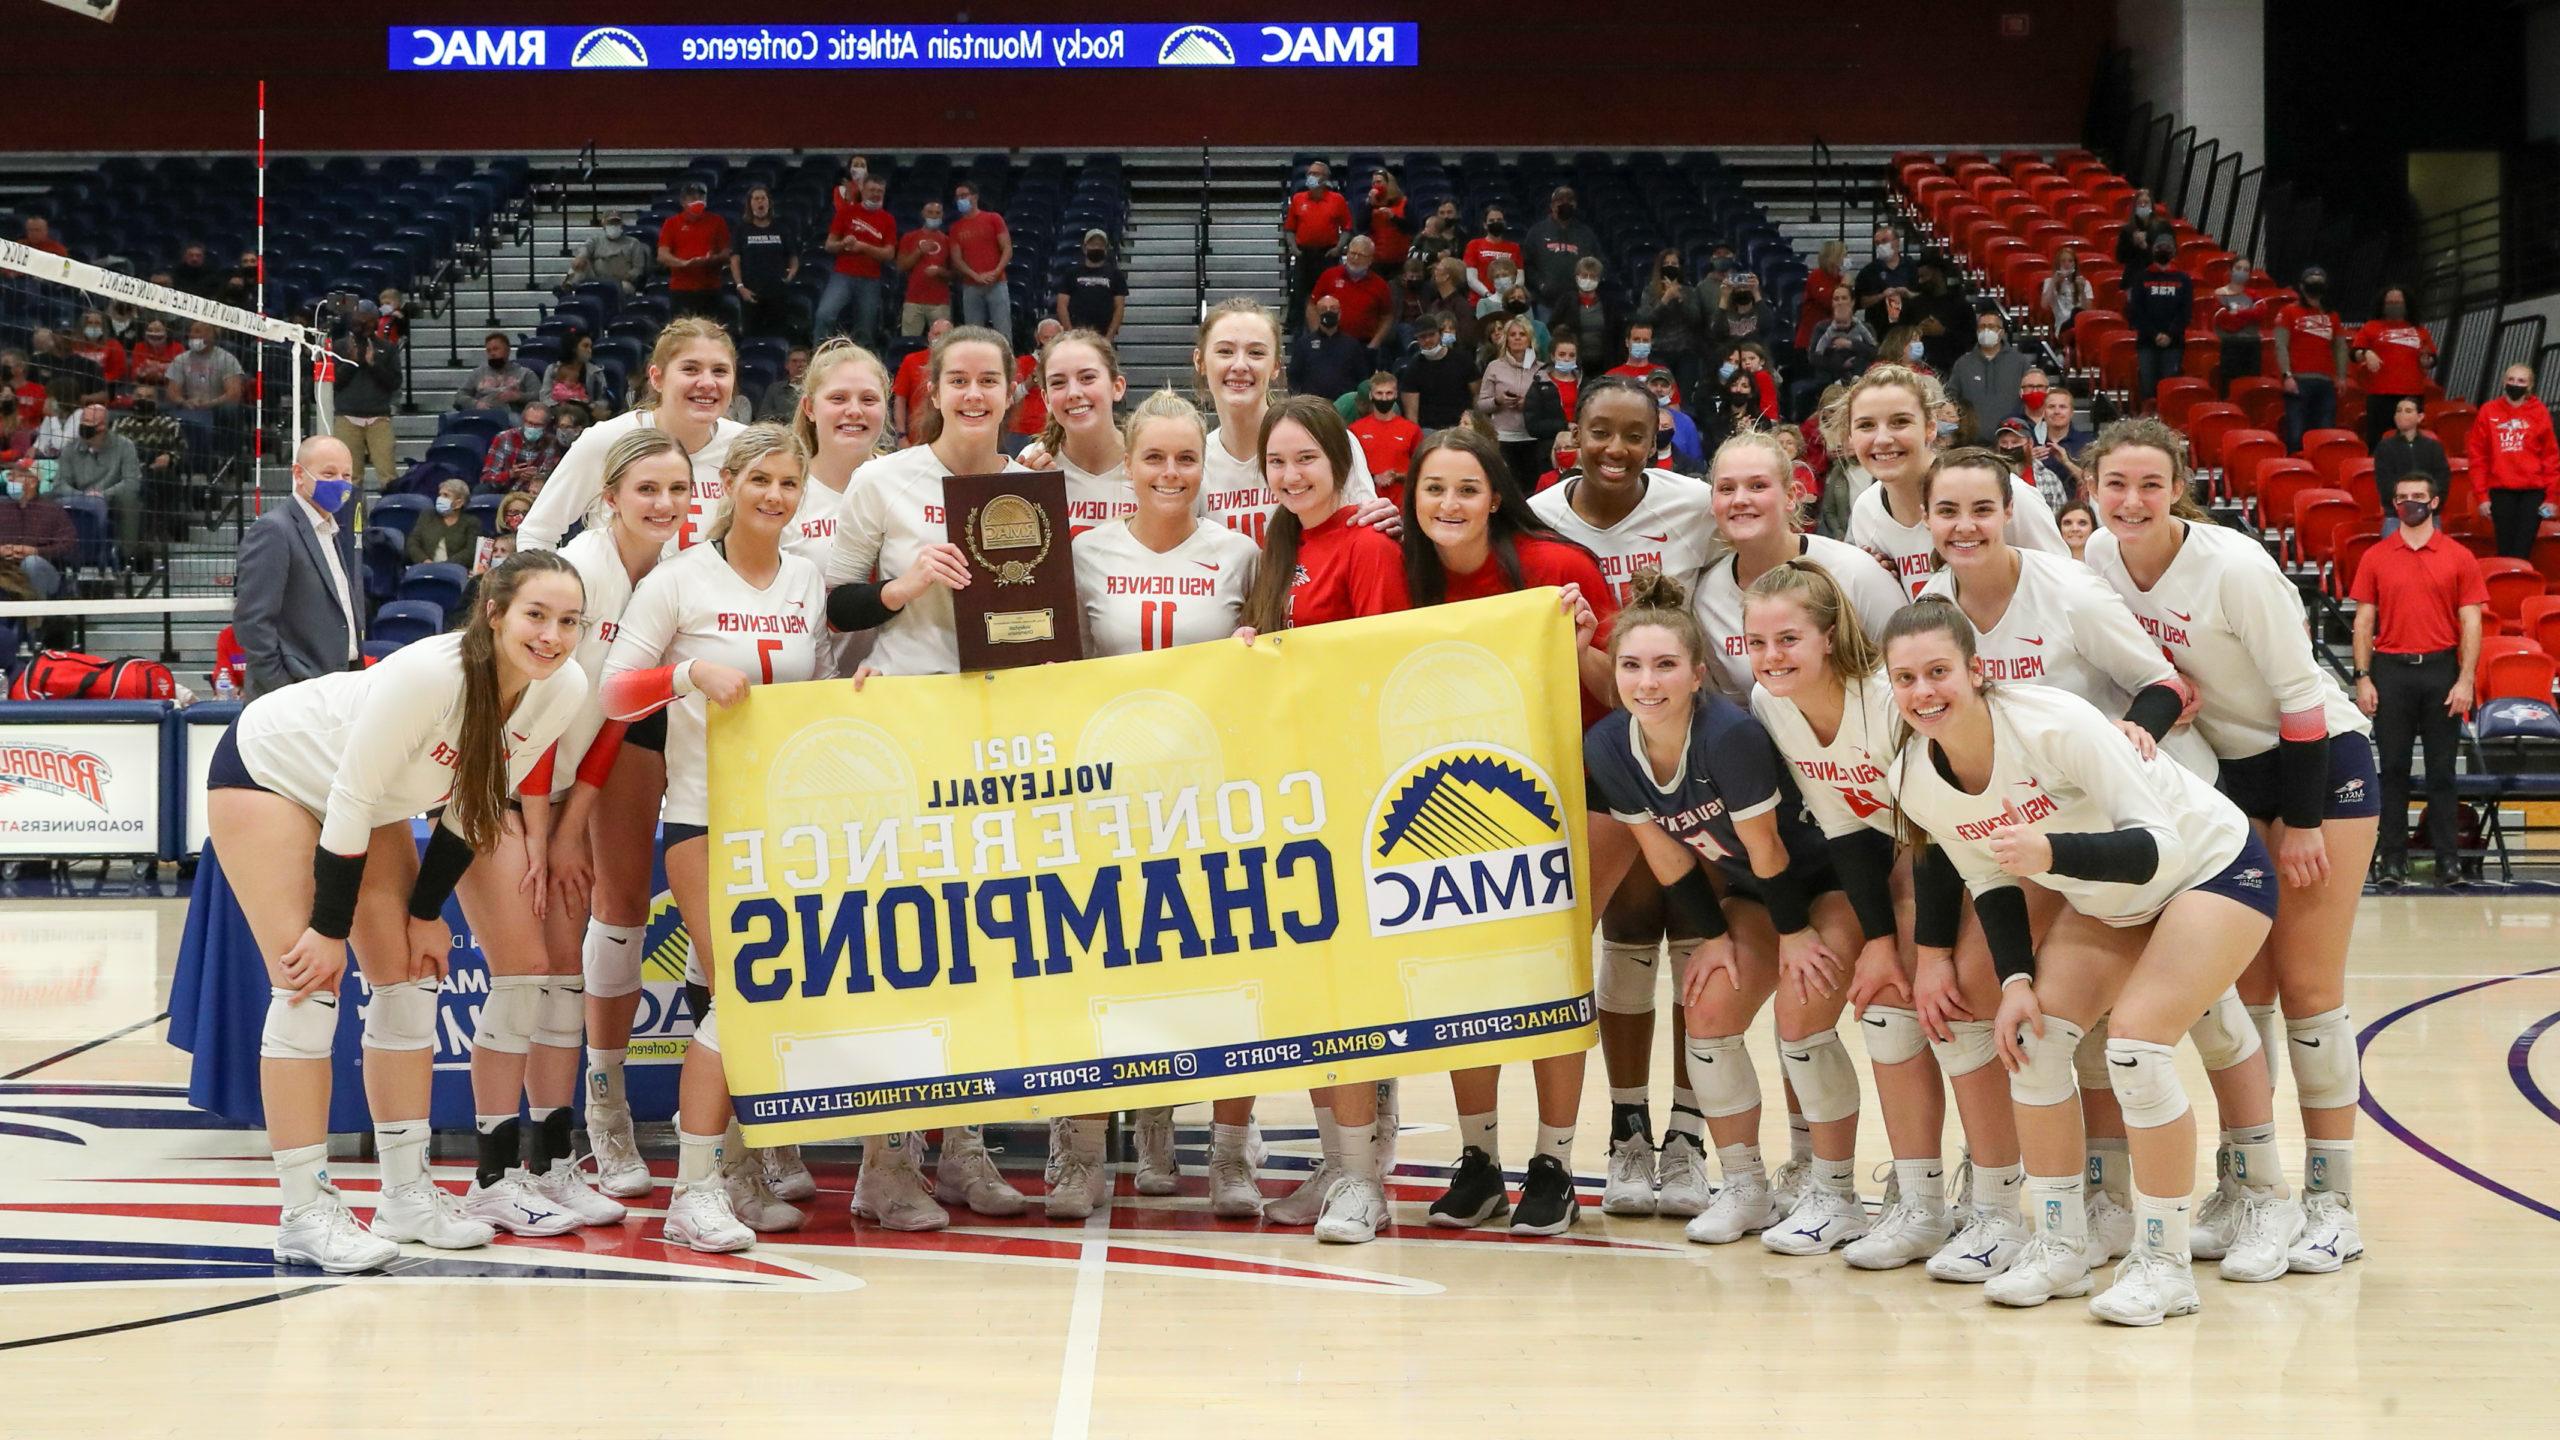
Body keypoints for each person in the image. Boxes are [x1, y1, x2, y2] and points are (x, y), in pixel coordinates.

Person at [1879, 597, 2279, 1325]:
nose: (1924, 692)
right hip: (2112, 903)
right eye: (1905, 679)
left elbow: (2158, 845)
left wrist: (2051, 853)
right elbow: (1992, 879)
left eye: (1939, 671)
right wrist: (2017, 983)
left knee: (2134, 1048)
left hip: (2211, 869)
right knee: (2030, 1043)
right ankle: (2061, 1248)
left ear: (1977, 671)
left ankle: (2165, 1264)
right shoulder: (1916, 777)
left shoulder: (2054, 723)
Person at [208, 548, 589, 1271]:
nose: (552, 635)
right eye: (536, 615)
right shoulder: (430, 674)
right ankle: (304, 1209)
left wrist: (425, 912)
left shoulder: (561, 686)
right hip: (272, 771)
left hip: (372, 801)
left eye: (569, 621)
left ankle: (405, 1193)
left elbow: (473, 800)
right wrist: (326, 931)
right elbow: (348, 801)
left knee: (411, 974)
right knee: (307, 985)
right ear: (495, 612)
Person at [2080, 417, 2378, 1278]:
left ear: (2178, 486)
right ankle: (2252, 1188)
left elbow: (2300, 698)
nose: (2131, 501)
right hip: (2222, 780)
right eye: (2114, 485)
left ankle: (2333, 1202)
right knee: (2235, 997)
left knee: (2310, 984)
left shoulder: (2235, 567)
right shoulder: (2099, 559)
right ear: (2091, 488)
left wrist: (2305, 821)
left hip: (2318, 764)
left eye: (2149, 484)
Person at [1581, 571, 1874, 1254]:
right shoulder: (1607, 747)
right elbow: (1666, 857)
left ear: (1697, 674)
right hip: (1753, 891)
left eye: (1664, 666)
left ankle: (1836, 1194)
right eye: (1630, 665)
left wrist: (1796, 934)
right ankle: (1744, 1186)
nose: (1645, 681)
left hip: (1826, 880)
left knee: (1802, 1019)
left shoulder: (1731, 733)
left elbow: (1769, 847)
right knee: (1708, 1011)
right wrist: (1712, 936)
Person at [821, 326, 1037, 1227]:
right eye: (960, 380)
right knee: (908, 947)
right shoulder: (884, 480)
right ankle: (883, 1160)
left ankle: (964, 1153)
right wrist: (904, 587)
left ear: (1010, 391)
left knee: (983, 948)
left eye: (990, 380)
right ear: (936, 390)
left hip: (997, 732)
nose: (976, 393)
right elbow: (835, 602)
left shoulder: (1031, 490)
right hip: (911, 724)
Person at [600, 425, 832, 1252]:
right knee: (741, 993)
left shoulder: (807, 579)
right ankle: (691, 1193)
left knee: (728, 993)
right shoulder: (676, 581)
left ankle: (733, 1171)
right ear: (728, 483)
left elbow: (815, 690)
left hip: (787, 822)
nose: (774, 496)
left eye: (789, 484)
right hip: (703, 816)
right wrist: (687, 675)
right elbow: (613, 689)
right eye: (760, 479)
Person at [1038, 391, 1261, 1217]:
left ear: (1206, 466)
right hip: (1107, 799)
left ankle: (1231, 1153)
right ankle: (1083, 1148)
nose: (1171, 474)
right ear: (1127, 465)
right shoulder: (1082, 551)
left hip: (1212, 798)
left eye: (1186, 459)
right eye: (1155, 458)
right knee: (1096, 967)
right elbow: (1047, 668)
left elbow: (1277, 669)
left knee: (1228, 967)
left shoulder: (1240, 554)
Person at [1395, 427, 1612, 1235]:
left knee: (1552, 966)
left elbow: (1625, 697)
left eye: (1465, 488)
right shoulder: (1405, 576)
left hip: (1578, 789)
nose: (1449, 504)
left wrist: (1585, 642)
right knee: (1466, 975)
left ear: (1496, 497)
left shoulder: (1557, 569)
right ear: (1411, 501)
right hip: (1459, 797)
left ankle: (1555, 1166)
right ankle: (1479, 1161)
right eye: (1433, 490)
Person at [1529, 378, 1728, 1217]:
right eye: (1599, 432)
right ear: (1571, 436)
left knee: (1693, 939)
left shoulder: (1697, 508)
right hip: (1587, 756)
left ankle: (1687, 1134)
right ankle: (1628, 1128)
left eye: (1633, 435)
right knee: (1627, 935)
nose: (1615, 449)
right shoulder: (1537, 517)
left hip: (1687, 749)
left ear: (1660, 440)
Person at [1233, 395, 1411, 1244]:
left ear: (1341, 463)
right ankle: (1342, 1165)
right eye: (1277, 463)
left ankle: (1366, 1181)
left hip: (1351, 793)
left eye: (1307, 459)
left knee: (1354, 994)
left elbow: (1377, 668)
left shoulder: (1371, 546)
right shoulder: (1280, 547)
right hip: (1289, 795)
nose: (1292, 475)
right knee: (1311, 995)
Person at [1690, 431, 1903, 702]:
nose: (1740, 499)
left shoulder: (1854, 571)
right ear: (1712, 503)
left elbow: (1908, 667)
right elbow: (1731, 709)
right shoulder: (1708, 599)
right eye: (1726, 488)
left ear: (1791, 495)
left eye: (1757, 486)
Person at [2351, 470, 2485, 889]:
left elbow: (2472, 622)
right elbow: (2363, 621)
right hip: (2390, 670)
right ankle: (2392, 861)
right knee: (2391, 769)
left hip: (2441, 671)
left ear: (2435, 502)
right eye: (2401, 497)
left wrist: (2466, 680)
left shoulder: (2458, 556)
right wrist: (2362, 678)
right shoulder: (2376, 555)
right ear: (2393, 504)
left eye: (2417, 496)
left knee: (2443, 772)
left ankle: (2448, 861)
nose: (2409, 502)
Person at [518, 318, 747, 555]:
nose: (708, 383)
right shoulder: (607, 440)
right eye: (690, 369)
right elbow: (536, 533)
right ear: (657, 378)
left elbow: (787, 544)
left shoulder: (746, 449)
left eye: (720, 371)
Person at [1840, 365, 2067, 597]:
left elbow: (2064, 584)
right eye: (1866, 425)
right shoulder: (1866, 511)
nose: (1883, 439)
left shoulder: (2001, 489)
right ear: (1850, 436)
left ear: (1930, 428)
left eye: (1900, 422)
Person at [1193, 298, 1375, 544]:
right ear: (1200, 361)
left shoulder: (1329, 441)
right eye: (1225, 351)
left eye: (1256, 353)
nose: (1240, 365)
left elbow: (1367, 535)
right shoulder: (1192, 461)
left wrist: (1383, 521)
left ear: (1276, 366)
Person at [233, 437, 363, 699]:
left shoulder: (331, 531)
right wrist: (283, 692)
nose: (340, 481)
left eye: (346, 475)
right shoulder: (274, 530)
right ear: (298, 474)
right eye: (329, 473)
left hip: (337, 690)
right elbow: (253, 622)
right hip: (295, 697)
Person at [2469, 362, 2560, 557]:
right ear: (2503, 382)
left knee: (2523, 547)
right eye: (2511, 379)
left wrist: (2552, 498)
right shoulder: (2488, 410)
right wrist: (2482, 496)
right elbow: (2478, 457)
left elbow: (2551, 458)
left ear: (2529, 386)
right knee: (2504, 546)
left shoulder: (2540, 412)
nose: (2515, 383)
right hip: (2501, 491)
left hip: (2533, 492)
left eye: (2521, 380)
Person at [2351, 285, 2437, 451]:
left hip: (2411, 394)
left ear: (2406, 305)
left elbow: (2431, 357)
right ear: (2382, 305)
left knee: (2408, 441)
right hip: (2380, 393)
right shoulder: (2371, 327)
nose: (2394, 305)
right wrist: (2367, 353)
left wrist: (2428, 360)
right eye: (2390, 302)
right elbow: (2354, 353)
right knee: (2378, 442)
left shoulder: (2419, 330)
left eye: (2398, 302)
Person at [328, 309, 404, 492]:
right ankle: (351, 517)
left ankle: (391, 514)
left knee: (388, 474)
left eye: (368, 322)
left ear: (376, 322)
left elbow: (394, 383)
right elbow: (334, 384)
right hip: (347, 417)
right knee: (349, 476)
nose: (363, 327)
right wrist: (350, 362)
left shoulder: (387, 348)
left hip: (378, 417)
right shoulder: (339, 348)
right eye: (359, 323)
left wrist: (373, 365)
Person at [816, 174, 896, 347]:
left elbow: (889, 254)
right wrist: (843, 243)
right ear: (863, 190)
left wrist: (863, 247)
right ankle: (818, 353)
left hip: (870, 278)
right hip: (843, 274)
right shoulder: (846, 212)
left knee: (866, 327)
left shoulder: (888, 219)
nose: (875, 194)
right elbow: (829, 245)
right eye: (872, 190)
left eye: (879, 191)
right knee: (825, 314)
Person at [55, 403, 142, 559]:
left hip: (111, 497)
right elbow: (60, 483)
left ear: (102, 427)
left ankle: (127, 557)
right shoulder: (70, 448)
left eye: (88, 422)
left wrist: (102, 495)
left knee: (130, 499)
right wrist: (83, 496)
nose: (83, 426)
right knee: (48, 497)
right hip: (79, 497)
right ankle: (59, 555)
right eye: (82, 421)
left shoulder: (125, 446)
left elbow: (131, 482)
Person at [2274, 266, 2348, 449]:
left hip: (2325, 382)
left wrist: (2341, 376)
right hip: (2298, 380)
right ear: (2302, 286)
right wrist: (2287, 375)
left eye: (2320, 281)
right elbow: (2281, 345)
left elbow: (2340, 346)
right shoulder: (2288, 311)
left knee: (2325, 434)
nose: (2316, 285)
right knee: (2296, 435)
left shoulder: (2332, 315)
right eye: (2312, 281)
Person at [166, 321, 245, 475]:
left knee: (230, 410)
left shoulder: (226, 359)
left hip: (216, 408)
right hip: (189, 407)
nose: (194, 335)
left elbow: (234, 393)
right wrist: (184, 401)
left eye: (199, 331)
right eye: (192, 331)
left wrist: (210, 403)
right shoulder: (180, 359)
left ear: (211, 335)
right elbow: (172, 392)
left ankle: (227, 459)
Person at [1475, 316, 1549, 482]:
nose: (1517, 338)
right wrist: (1498, 401)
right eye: (1512, 334)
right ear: (1506, 339)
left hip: (1533, 438)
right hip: (1503, 439)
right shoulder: (1494, 366)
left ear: (1530, 339)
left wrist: (1529, 404)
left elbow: (1549, 406)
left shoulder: (1542, 369)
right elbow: (1481, 404)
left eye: (1522, 334)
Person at [1282, 161, 1353, 330]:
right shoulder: (1298, 199)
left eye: (1316, 173)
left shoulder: (1337, 200)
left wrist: (1339, 248)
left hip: (1327, 254)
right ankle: (1294, 326)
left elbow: (1347, 228)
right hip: (1304, 253)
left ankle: (1330, 323)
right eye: (1309, 173)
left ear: (1325, 179)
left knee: (1329, 290)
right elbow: (1289, 228)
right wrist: (1293, 248)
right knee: (1299, 291)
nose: (1311, 177)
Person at [2126, 238, 2192, 411]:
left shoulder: (2183, 279)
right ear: (2152, 250)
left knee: (2169, 388)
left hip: (2174, 343)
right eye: (2159, 246)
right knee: (2148, 387)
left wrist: (2170, 334)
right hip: (2147, 343)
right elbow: (2137, 312)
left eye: (2167, 246)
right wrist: (2154, 334)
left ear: (2173, 252)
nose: (2163, 249)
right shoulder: (2142, 278)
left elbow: (2185, 312)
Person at [729, 185, 802, 342]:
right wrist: (740, 287)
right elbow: (735, 260)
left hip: (777, 293)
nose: (760, 202)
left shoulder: (782, 228)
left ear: (769, 203)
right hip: (750, 293)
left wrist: (790, 275)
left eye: (763, 198)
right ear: (750, 204)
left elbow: (793, 257)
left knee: (778, 337)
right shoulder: (742, 229)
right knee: (751, 339)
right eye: (756, 198)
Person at [1635, 250, 1713, 399]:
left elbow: (1696, 319)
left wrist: (1680, 300)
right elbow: (1645, 319)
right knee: (1659, 396)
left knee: (1682, 398)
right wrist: (1665, 300)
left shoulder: (1690, 291)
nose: (1670, 266)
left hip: (1686, 353)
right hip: (1659, 352)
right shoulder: (1650, 291)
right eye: (1666, 264)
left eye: (1674, 264)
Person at [657, 181, 733, 322]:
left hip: (710, 289)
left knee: (710, 333)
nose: (697, 201)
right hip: (681, 289)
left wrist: (712, 259)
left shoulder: (717, 222)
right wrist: (683, 263)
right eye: (692, 198)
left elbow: (727, 253)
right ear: (683, 201)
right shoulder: (672, 223)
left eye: (701, 197)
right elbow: (662, 255)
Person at [948, 181, 1014, 342]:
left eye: (964, 196)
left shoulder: (993, 218)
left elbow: (1007, 248)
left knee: (1003, 331)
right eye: (958, 197)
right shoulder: (956, 227)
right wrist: (975, 275)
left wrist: (996, 272)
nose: (960, 200)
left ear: (975, 197)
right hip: (971, 285)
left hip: (997, 282)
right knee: (973, 333)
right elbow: (957, 259)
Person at [1308, 235, 1395, 355]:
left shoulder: (1380, 285)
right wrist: (1318, 335)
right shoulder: (1329, 276)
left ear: (1370, 259)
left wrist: (1374, 343)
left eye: (1361, 255)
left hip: (1363, 346)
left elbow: (1387, 317)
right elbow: (1312, 306)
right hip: (1330, 343)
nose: (1355, 258)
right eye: (1352, 253)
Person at [2371, 397, 2449, 531]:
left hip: (2429, 515)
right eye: (2399, 411)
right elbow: (2385, 484)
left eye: (2408, 411)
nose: (2402, 415)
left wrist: (2425, 505)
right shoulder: (2385, 447)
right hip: (2396, 517)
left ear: (2420, 417)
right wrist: (2407, 507)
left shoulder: (2433, 447)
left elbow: (2442, 480)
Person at [1523, 186, 1604, 314]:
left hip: (1577, 302)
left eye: (1570, 200)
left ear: (1575, 204)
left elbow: (1597, 263)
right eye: (1560, 200)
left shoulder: (1586, 233)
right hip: (1547, 302)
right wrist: (1540, 284)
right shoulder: (1537, 232)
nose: (1565, 203)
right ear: (1552, 205)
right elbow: (1527, 264)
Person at [0, 459, 74, 600]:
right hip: (6, 568)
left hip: (43, 571)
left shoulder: (53, 510)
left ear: (33, 482)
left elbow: (69, 546)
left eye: (15, 476)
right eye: (9, 476)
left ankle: (35, 618)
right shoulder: (1, 507)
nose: (9, 479)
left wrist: (36, 551)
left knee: (32, 562)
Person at [1948, 309, 2030, 433]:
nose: (1986, 330)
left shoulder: (2020, 362)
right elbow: (1952, 397)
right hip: (1971, 441)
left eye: (1991, 326)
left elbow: (2027, 399)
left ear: (2001, 332)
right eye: (1982, 327)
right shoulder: (1963, 364)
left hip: (2010, 440)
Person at [1349, 371, 1422, 506]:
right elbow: (1350, 469)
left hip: (1402, 506)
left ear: (1396, 395)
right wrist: (1373, 477)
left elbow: (1421, 469)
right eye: (1379, 393)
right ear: (1371, 395)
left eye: (1389, 393)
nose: (1384, 398)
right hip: (1366, 504)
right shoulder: (1355, 430)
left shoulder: (1411, 430)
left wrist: (1396, 476)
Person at [1290, 295, 1373, 404]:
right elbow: (1294, 376)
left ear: (1339, 314)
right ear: (1317, 314)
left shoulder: (1351, 344)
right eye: (1323, 309)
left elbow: (1362, 378)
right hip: (1313, 407)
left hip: (1344, 406)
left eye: (1333, 308)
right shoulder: (1304, 344)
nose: (1328, 312)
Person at [1398, 313, 1474, 431]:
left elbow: (1477, 394)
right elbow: (1411, 414)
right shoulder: (1413, 368)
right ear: (1417, 339)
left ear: (1439, 334)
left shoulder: (1462, 359)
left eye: (1431, 335)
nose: (1428, 340)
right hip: (1429, 429)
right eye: (1423, 337)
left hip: (1461, 426)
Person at [894, 199, 955, 337]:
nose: (933, 216)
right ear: (923, 213)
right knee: (909, 342)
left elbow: (954, 274)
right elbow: (901, 266)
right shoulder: (909, 237)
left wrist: (940, 271)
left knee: (943, 345)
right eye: (930, 212)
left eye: (937, 213)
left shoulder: (947, 240)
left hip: (939, 302)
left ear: (942, 215)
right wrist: (919, 251)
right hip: (913, 300)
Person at [2208, 260, 2270, 394]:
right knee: (2228, 389)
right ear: (2231, 270)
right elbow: (2226, 321)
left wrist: (2239, 313)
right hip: (2228, 346)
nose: (2242, 272)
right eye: (2238, 268)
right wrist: (2249, 317)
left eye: (2246, 269)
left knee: (2251, 390)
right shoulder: (2219, 294)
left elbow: (2261, 313)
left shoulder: (2254, 295)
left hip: (2252, 346)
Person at [563, 210, 653, 297]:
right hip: (597, 277)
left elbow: (638, 268)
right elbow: (585, 249)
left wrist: (627, 276)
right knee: (581, 263)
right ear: (604, 224)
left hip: (622, 281)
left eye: (617, 223)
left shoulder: (633, 243)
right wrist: (580, 257)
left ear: (622, 225)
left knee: (624, 288)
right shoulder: (595, 240)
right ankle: (567, 288)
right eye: (610, 223)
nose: (614, 226)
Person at [1057, 229, 1128, 339]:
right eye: (1093, 244)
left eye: (1100, 245)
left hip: (1103, 335)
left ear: (1106, 250)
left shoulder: (1116, 275)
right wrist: (1070, 333)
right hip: (1077, 334)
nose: (1096, 248)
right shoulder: (1071, 273)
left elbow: (1119, 307)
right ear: (1084, 248)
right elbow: (1062, 305)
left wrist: (1109, 337)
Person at [478, 400, 562, 493]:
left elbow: (552, 481)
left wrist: (536, 477)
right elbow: (487, 478)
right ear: (522, 421)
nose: (533, 428)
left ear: (546, 425)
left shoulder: (552, 443)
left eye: (538, 425)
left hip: (533, 495)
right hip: (503, 492)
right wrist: (511, 474)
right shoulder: (503, 438)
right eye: (529, 423)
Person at [1852, 223, 1918, 336]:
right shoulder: (1868, 271)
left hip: (1907, 327)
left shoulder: (1911, 267)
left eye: (1885, 241)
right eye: (1877, 243)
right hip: (1878, 328)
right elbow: (1861, 302)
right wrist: (1881, 296)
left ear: (1897, 242)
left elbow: (1922, 296)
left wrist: (1907, 294)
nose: (1881, 246)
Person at [893, 317, 951, 439]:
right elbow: (900, 400)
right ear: (929, 336)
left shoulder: (961, 363)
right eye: (936, 334)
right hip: (917, 436)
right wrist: (901, 435)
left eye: (945, 335)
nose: (940, 338)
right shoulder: (911, 360)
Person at [453, 333, 538, 415]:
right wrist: (476, 404)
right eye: (489, 350)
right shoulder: (478, 373)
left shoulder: (525, 373)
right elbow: (460, 395)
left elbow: (539, 396)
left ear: (508, 350)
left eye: (496, 349)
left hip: (511, 415)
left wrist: (519, 397)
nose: (492, 353)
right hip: (482, 414)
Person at [407, 478, 481, 565]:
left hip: (455, 571)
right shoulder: (427, 515)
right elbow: (412, 542)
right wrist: (424, 560)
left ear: (459, 503)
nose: (440, 498)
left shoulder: (471, 522)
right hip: (424, 567)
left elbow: (470, 551)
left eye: (446, 495)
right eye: (440, 494)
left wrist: (444, 566)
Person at [1461, 203, 1525, 301]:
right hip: (1480, 301)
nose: (1496, 222)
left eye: (1499, 220)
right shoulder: (1473, 245)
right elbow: (1471, 278)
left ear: (1504, 222)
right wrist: (1488, 295)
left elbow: (1520, 277)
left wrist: (1510, 294)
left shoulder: (1514, 247)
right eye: (1491, 221)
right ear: (1485, 225)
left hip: (1508, 301)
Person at [1796, 240, 1848, 352]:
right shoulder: (1816, 276)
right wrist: (1843, 285)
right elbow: (1827, 301)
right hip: (1810, 340)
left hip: (1832, 339)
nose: (1846, 259)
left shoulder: (1839, 279)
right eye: (1844, 256)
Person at [2042, 248, 2096, 353]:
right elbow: (2044, 305)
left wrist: (2082, 292)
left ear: (2075, 264)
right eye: (2063, 261)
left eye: (2070, 261)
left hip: (2081, 325)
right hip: (2063, 325)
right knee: (2076, 313)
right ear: (2058, 264)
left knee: (2078, 314)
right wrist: (2054, 281)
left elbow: (2089, 312)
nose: (2067, 264)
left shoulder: (2084, 283)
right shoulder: (2049, 282)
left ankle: (2066, 356)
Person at [2111, 189, 2176, 269]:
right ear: (2135, 207)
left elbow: (2167, 256)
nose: (2143, 205)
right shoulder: (2128, 230)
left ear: (2151, 206)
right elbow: (2120, 258)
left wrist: (2145, 246)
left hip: (2155, 274)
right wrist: (2133, 244)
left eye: (2146, 202)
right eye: (2139, 203)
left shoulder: (2163, 226)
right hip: (2134, 274)